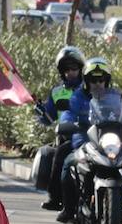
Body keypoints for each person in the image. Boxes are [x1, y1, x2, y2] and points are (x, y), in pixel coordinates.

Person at [55, 57, 122, 224]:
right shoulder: (78, 97)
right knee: (68, 164)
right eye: (92, 79)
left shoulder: (116, 96)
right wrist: (69, 123)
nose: (97, 83)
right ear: (86, 81)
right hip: (85, 140)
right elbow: (69, 113)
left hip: (113, 141)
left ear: (106, 80)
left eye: (101, 79)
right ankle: (68, 208)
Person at [37, 46, 86, 212]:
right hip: (67, 136)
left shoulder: (90, 89)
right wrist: (41, 111)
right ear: (61, 72)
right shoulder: (57, 92)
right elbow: (48, 118)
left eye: (74, 68)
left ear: (80, 69)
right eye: (66, 69)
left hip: (91, 134)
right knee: (59, 157)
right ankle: (55, 197)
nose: (70, 72)